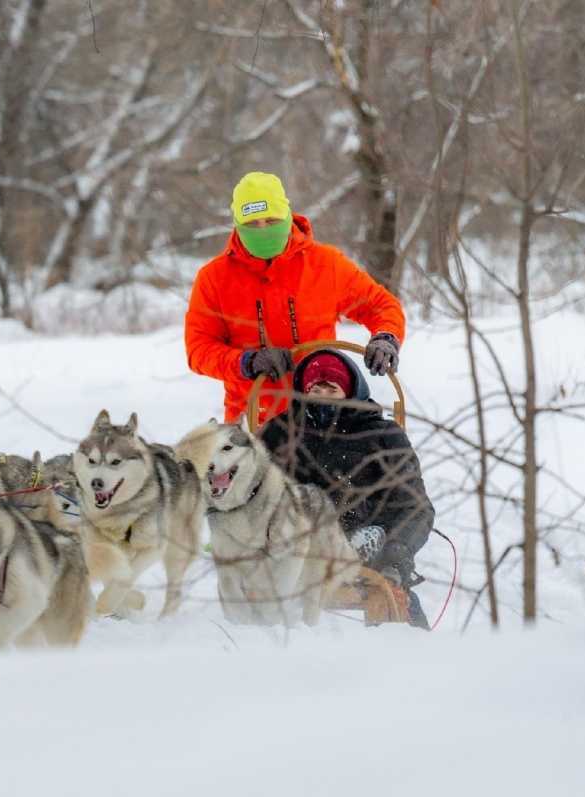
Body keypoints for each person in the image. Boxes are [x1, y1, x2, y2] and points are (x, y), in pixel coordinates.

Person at [185, 171, 407, 424]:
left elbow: (381, 305)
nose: (262, 230)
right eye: (252, 224)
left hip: (323, 412)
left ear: (287, 217)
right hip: (253, 421)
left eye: (271, 221)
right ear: (237, 225)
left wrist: (386, 337)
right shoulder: (214, 278)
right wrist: (246, 362)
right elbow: (199, 350)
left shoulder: (325, 265)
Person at [260, 349, 435, 628]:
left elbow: (414, 506)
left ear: (350, 390)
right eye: (314, 388)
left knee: (391, 595)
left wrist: (397, 551)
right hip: (296, 546)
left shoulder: (382, 435)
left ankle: (414, 654)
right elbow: (250, 487)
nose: (321, 395)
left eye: (331, 388)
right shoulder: (279, 432)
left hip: (369, 546)